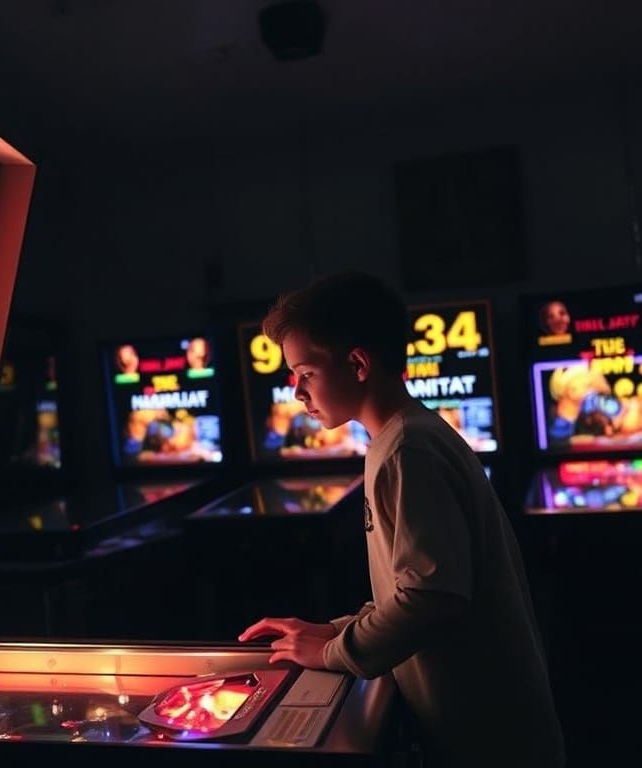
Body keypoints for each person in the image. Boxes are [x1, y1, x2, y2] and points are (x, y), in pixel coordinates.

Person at [238, 272, 564, 768]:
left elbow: (433, 598)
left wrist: (330, 654)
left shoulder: (407, 450)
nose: (296, 391)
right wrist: (335, 631)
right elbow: (413, 587)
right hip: (480, 724)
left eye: (305, 372)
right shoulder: (401, 438)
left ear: (358, 363)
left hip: (491, 735)